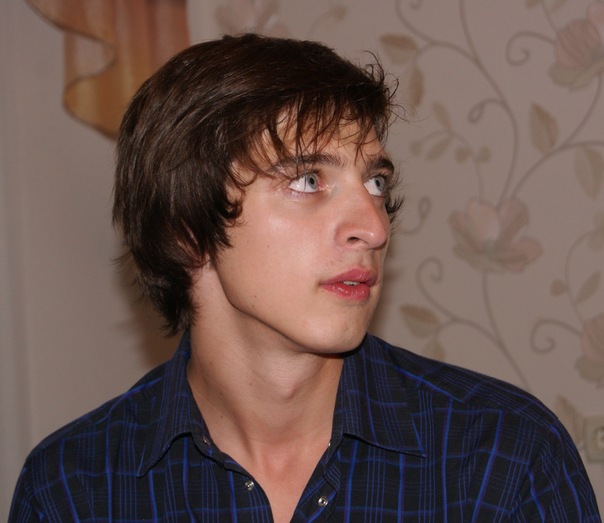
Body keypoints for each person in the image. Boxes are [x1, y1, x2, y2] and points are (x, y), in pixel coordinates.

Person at [9, 33, 600, 522]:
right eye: (309, 181)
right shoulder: (72, 488)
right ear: (186, 229)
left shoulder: (504, 456)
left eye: (375, 182)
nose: (374, 226)